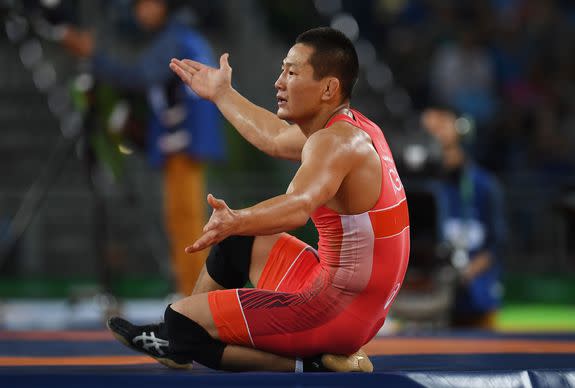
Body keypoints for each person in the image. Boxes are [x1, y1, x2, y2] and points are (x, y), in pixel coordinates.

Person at [108, 27, 410, 372]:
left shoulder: (334, 144)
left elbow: (298, 206)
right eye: (282, 70)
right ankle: (178, 341)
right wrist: (222, 94)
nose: (279, 82)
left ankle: (311, 365)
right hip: (355, 302)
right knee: (238, 243)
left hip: (337, 312)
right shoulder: (356, 129)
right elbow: (276, 137)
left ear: (328, 88)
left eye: (292, 72)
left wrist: (236, 218)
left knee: (181, 323)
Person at [62, 0, 226, 296]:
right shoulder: (184, 35)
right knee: (182, 217)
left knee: (185, 218)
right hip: (186, 138)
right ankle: (190, 289)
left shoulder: (176, 37)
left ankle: (195, 293)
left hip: (184, 140)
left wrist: (93, 57)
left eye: (148, 4)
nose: (141, 12)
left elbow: (139, 76)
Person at [421, 107, 505, 328]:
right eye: (429, 128)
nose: (435, 133)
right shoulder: (417, 186)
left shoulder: (485, 185)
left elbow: (497, 244)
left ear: (460, 129)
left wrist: (466, 272)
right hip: (427, 302)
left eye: (441, 125)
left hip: (477, 300)